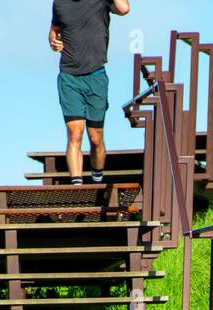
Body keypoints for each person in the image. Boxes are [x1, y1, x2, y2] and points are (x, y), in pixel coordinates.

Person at [49, 0, 131, 186]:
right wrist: (53, 41)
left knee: (95, 137)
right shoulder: (60, 3)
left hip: (96, 75)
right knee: (74, 133)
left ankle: (97, 179)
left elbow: (124, 8)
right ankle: (77, 186)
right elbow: (54, 29)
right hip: (69, 76)